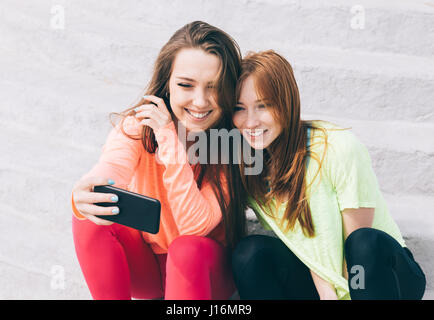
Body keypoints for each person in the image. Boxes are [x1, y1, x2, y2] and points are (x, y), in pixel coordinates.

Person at [70, 21, 247, 300]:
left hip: (207, 271)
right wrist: (87, 193)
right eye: (186, 85)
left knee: (186, 248)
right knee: (92, 215)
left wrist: (168, 138)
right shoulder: (138, 127)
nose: (200, 102)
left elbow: (194, 227)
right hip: (151, 267)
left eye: (213, 87)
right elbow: (112, 168)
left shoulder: (232, 145)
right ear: (168, 84)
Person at [230, 50, 426, 300]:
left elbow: (353, 251)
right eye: (240, 108)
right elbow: (306, 243)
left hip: (382, 275)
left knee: (363, 243)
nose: (250, 121)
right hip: (322, 274)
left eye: (263, 105)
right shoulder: (251, 169)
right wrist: (325, 292)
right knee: (250, 253)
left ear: (286, 103)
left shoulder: (339, 147)